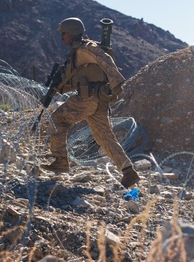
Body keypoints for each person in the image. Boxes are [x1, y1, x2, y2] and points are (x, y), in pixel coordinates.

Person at [43, 17, 140, 188]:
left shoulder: (86, 48)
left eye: (64, 33)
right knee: (104, 136)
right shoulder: (77, 51)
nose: (62, 37)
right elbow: (74, 78)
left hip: (87, 99)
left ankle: (60, 161)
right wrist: (53, 91)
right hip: (98, 101)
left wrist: (117, 83)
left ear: (72, 32)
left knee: (57, 119)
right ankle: (128, 171)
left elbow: (105, 60)